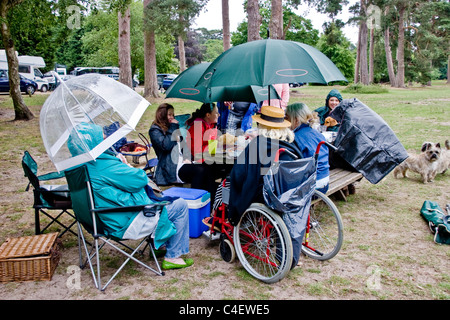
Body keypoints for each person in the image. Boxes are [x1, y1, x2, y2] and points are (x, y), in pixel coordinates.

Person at [67, 122, 193, 270]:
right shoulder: (103, 165)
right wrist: (125, 165)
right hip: (122, 222)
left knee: (160, 200)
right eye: (100, 136)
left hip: (97, 220)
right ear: (93, 143)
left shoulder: (77, 165)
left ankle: (161, 246)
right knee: (180, 205)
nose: (105, 137)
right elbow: (139, 180)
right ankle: (173, 256)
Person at [228, 105, 306, 267]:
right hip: (291, 191)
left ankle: (233, 220)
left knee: (227, 187)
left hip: (269, 194)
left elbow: (240, 173)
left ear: (262, 125)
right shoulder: (290, 142)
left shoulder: (259, 144)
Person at [178, 103, 227, 201]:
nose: (219, 115)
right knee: (213, 170)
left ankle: (219, 200)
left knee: (226, 169)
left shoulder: (210, 125)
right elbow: (198, 152)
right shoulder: (198, 125)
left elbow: (212, 147)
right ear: (208, 115)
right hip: (195, 161)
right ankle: (209, 201)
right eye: (216, 113)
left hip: (206, 160)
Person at [286, 102, 330, 194]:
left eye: (287, 117)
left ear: (296, 120)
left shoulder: (295, 137)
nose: (285, 121)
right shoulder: (315, 133)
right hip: (325, 181)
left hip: (311, 187)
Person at [149, 103, 181, 186]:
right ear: (162, 115)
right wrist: (173, 127)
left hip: (180, 161)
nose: (172, 117)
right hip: (168, 168)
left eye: (173, 115)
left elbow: (182, 144)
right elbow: (166, 146)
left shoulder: (170, 127)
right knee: (199, 171)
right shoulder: (154, 130)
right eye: (169, 114)